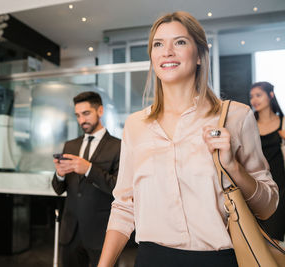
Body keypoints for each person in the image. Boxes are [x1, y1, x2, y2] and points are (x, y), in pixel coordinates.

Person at [97, 11, 279, 267]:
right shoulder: (135, 125)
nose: (167, 51)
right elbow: (124, 208)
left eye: (180, 42)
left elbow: (268, 206)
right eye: (158, 44)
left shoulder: (236, 117)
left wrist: (234, 168)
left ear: (200, 56)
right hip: (152, 259)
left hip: (219, 260)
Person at [52, 91, 121, 267]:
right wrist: (60, 174)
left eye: (86, 113)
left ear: (100, 111)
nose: (82, 120)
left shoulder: (118, 146)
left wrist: (89, 169)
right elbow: (58, 189)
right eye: (78, 115)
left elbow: (118, 188)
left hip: (102, 233)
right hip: (71, 232)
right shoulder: (71, 145)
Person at [250, 81, 285, 243]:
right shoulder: (249, 124)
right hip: (256, 187)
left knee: (273, 241)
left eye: (258, 95)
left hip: (280, 187)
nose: (254, 100)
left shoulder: (283, 122)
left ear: (270, 95)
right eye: (251, 96)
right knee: (256, 240)